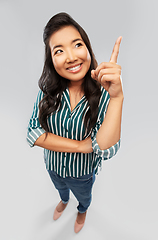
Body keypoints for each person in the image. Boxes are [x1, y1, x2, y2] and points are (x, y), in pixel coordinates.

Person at [27, 12, 124, 233]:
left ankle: (81, 211)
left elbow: (105, 148)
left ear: (88, 48)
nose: (70, 57)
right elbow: (33, 133)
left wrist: (117, 97)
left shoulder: (104, 93)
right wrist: (80, 146)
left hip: (82, 173)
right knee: (60, 189)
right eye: (59, 50)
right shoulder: (47, 91)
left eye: (77, 44)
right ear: (51, 59)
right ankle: (63, 201)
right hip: (52, 166)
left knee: (84, 196)